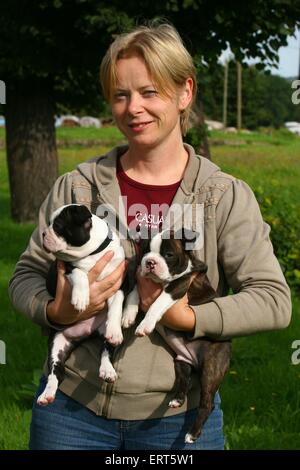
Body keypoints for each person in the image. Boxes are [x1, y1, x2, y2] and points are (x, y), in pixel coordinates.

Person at [9, 22, 291, 451]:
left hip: (177, 424)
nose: (133, 107)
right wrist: (56, 310)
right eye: (120, 95)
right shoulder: (78, 188)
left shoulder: (223, 195)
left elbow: (274, 300)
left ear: (185, 93)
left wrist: (187, 318)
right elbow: (24, 276)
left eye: (149, 92)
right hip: (70, 414)